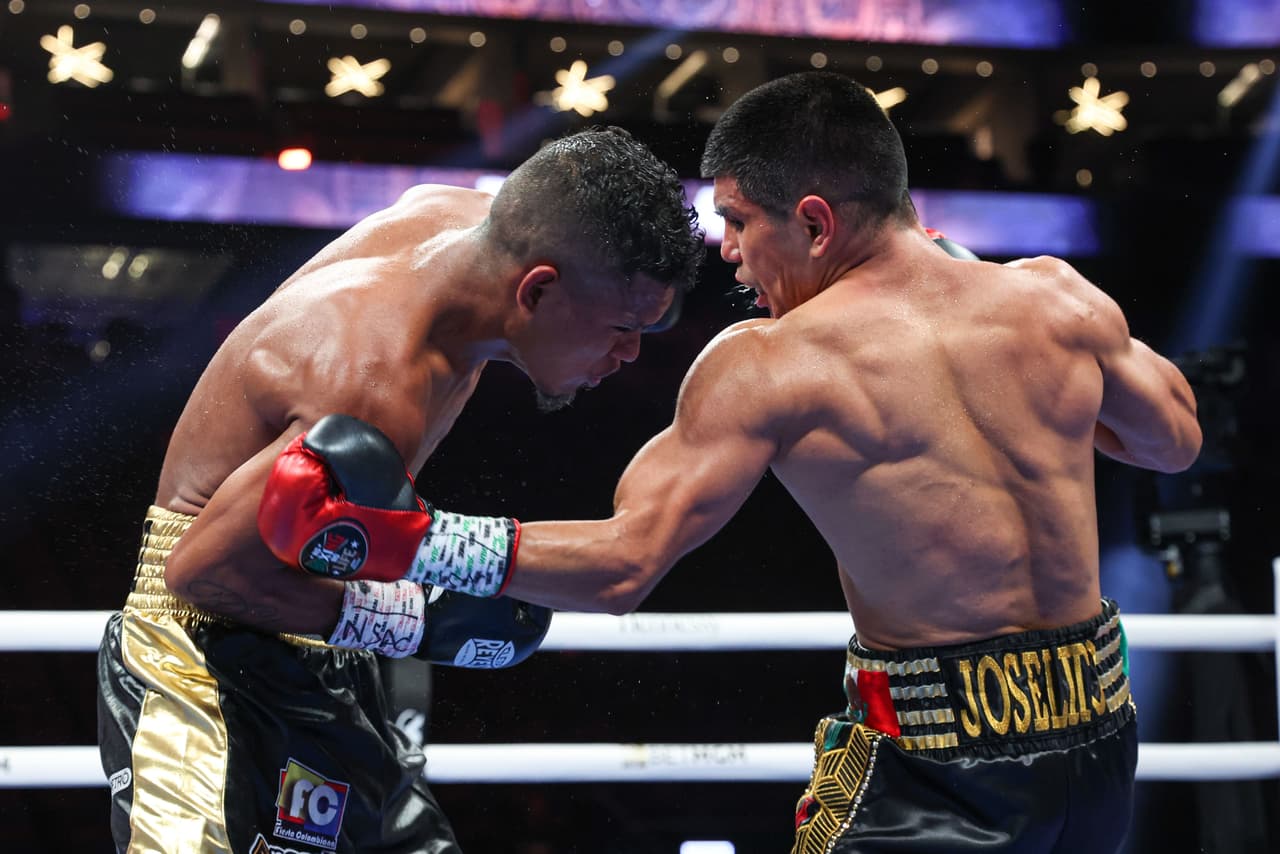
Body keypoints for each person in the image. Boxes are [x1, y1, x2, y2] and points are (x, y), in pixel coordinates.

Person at [261, 72, 1202, 852]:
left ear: (817, 222)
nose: (733, 259)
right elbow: (1173, 442)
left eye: (740, 223)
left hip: (932, 768)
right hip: (1099, 746)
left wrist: (408, 540)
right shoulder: (1053, 300)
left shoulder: (772, 361)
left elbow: (625, 562)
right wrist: (1040, 395)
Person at [95, 126, 705, 854]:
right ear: (536, 290)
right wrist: (411, 620)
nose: (629, 353)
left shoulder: (474, 229)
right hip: (207, 664)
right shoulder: (368, 379)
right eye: (621, 326)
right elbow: (201, 572)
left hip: (309, 630)